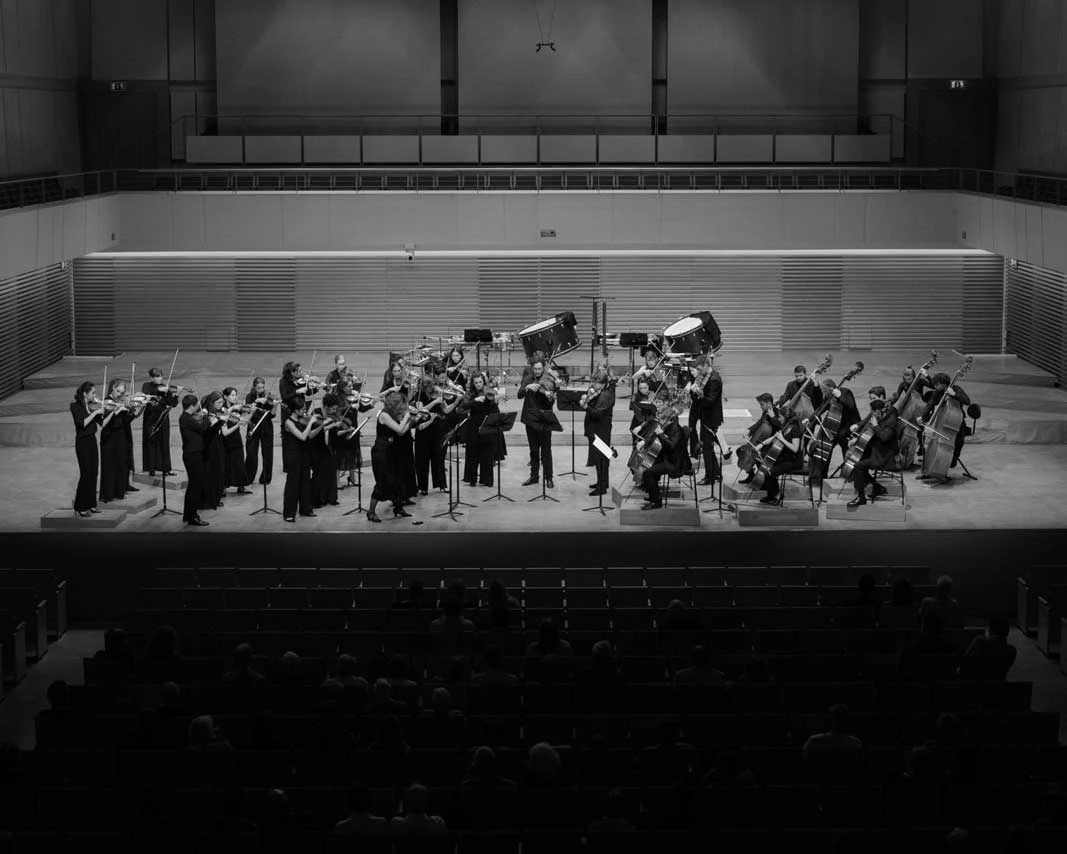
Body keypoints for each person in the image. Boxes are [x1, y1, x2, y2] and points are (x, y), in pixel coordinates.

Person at [846, 387, 900, 507]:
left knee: (858, 466)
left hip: (885, 454)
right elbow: (868, 429)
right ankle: (877, 487)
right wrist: (858, 439)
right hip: (876, 449)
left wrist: (875, 426)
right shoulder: (878, 412)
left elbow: (885, 437)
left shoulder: (891, 417)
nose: (872, 415)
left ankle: (861, 498)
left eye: (873, 413)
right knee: (856, 459)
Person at [366, 390, 415, 523]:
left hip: (391, 451)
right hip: (381, 452)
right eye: (401, 405)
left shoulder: (393, 414)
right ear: (395, 404)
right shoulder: (384, 415)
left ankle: (398, 508)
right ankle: (370, 512)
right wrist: (407, 416)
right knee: (383, 482)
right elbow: (399, 429)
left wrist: (411, 421)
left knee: (397, 479)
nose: (403, 407)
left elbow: (401, 432)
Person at [918, 370, 972, 482]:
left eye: (937, 385)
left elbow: (967, 401)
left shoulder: (956, 389)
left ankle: (946, 467)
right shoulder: (937, 393)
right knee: (932, 446)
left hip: (958, 425)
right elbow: (930, 404)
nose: (935, 387)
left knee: (954, 449)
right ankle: (928, 471)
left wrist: (954, 395)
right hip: (942, 424)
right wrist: (922, 417)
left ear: (944, 384)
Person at [637, 397, 689, 510]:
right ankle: (653, 496)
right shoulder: (667, 427)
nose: (659, 420)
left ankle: (656, 502)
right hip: (667, 457)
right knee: (647, 464)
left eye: (661, 418)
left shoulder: (676, 429)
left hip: (675, 462)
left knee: (648, 473)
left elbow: (671, 446)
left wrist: (661, 435)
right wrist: (644, 442)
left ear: (669, 419)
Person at [807, 378, 861, 483]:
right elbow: (821, 408)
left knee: (846, 449)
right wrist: (810, 419)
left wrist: (839, 396)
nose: (824, 392)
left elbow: (851, 406)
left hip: (849, 426)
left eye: (825, 390)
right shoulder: (828, 396)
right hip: (835, 426)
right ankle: (822, 476)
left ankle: (850, 475)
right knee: (825, 447)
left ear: (831, 387)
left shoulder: (845, 392)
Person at [687, 353, 730, 484]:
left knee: (707, 447)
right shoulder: (704, 376)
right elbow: (698, 399)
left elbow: (710, 401)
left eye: (700, 368)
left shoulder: (715, 379)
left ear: (707, 365)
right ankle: (716, 474)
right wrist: (692, 391)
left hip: (711, 418)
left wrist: (698, 393)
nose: (698, 371)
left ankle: (709, 477)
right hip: (704, 415)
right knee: (708, 447)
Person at [98, 379, 143, 503]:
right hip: (109, 437)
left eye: (122, 393)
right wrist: (116, 410)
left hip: (120, 436)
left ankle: (119, 491)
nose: (120, 395)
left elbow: (127, 420)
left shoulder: (121, 402)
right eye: (118, 391)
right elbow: (105, 422)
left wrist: (139, 407)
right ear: (112, 388)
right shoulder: (108, 401)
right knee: (109, 466)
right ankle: (107, 494)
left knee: (121, 464)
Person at [752, 403, 804, 505]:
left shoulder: (795, 429)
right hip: (785, 457)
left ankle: (775, 495)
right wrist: (761, 445)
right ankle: (770, 493)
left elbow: (795, 448)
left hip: (793, 461)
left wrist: (782, 439)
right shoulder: (785, 426)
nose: (779, 419)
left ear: (786, 417)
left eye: (780, 417)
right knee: (762, 462)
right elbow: (773, 438)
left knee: (770, 471)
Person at [518, 355, 557, 489]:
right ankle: (534, 477)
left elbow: (552, 400)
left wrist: (549, 396)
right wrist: (527, 387)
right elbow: (519, 394)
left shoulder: (549, 379)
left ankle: (549, 478)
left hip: (545, 419)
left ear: (543, 368)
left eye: (540, 369)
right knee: (533, 450)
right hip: (531, 419)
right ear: (532, 368)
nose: (537, 371)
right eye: (535, 369)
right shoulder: (528, 378)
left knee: (546, 451)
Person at [281, 402, 322, 522]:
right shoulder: (288, 422)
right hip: (293, 455)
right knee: (293, 484)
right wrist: (310, 422)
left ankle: (306, 509)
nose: (305, 412)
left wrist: (321, 426)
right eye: (302, 409)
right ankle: (289, 513)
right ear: (295, 410)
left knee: (305, 482)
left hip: (304, 454)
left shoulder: (301, 420)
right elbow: (302, 437)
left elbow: (309, 435)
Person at [801, 704, 865, 780]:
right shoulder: (855, 743)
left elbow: (805, 762)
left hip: (820, 781)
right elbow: (859, 766)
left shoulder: (814, 741)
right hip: (846, 782)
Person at [460, 373, 501, 488]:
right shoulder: (469, 394)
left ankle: (487, 479)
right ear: (473, 383)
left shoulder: (489, 391)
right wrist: (475, 401)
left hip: (487, 424)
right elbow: (462, 408)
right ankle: (472, 479)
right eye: (476, 383)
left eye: (480, 382)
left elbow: (495, 404)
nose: (478, 385)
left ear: (484, 382)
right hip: (473, 425)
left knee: (487, 453)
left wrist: (494, 399)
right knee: (473, 453)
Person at [580, 367, 615, 496]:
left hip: (600, 430)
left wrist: (586, 407)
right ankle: (602, 482)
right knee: (601, 457)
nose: (593, 385)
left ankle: (601, 487)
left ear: (603, 383)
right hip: (598, 429)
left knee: (601, 458)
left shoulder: (605, 395)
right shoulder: (602, 392)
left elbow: (598, 414)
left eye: (596, 382)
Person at [71, 382, 104, 517]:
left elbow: (102, 423)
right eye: (93, 393)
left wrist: (107, 411)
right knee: (85, 473)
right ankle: (80, 506)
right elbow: (82, 423)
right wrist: (95, 412)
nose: (95, 396)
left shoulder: (92, 406)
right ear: (85, 394)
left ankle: (91, 504)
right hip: (82, 442)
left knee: (94, 473)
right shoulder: (75, 406)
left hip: (92, 441)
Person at [178, 394, 210, 526]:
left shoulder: (187, 417)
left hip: (193, 454)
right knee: (195, 486)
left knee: (193, 486)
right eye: (197, 404)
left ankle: (188, 515)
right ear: (192, 406)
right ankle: (193, 516)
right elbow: (203, 428)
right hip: (193, 455)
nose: (198, 406)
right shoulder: (187, 418)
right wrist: (206, 416)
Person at [141, 368, 179, 476]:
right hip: (151, 417)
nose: (160, 378)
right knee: (151, 441)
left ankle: (166, 468)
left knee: (164, 442)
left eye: (161, 376)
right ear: (152, 378)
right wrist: (159, 392)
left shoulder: (166, 388)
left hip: (163, 417)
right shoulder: (146, 386)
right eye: (157, 377)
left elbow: (173, 404)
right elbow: (147, 396)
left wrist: (175, 395)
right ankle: (151, 468)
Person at [737, 393, 780, 485]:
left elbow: (780, 428)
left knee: (756, 456)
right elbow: (759, 423)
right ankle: (751, 474)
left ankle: (762, 480)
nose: (760, 407)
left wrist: (773, 418)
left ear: (769, 404)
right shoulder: (766, 411)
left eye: (762, 404)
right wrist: (749, 430)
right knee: (740, 451)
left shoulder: (776, 412)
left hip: (769, 444)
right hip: (760, 442)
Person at [243, 377, 276, 487]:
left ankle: (266, 478)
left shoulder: (269, 396)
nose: (261, 390)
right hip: (253, 425)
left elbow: (272, 415)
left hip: (266, 426)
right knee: (251, 452)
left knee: (267, 453)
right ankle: (248, 477)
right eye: (258, 388)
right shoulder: (250, 396)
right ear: (254, 387)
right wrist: (256, 401)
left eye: (262, 387)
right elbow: (248, 410)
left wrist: (274, 406)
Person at [220, 387, 252, 497]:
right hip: (225, 439)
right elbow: (224, 415)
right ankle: (223, 487)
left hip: (236, 437)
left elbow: (245, 419)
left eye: (235, 395)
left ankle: (241, 486)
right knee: (226, 463)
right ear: (225, 396)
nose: (235, 397)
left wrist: (249, 411)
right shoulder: (222, 408)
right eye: (232, 395)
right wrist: (233, 408)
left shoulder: (238, 409)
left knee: (239, 462)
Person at [199, 392, 227, 510]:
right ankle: (209, 499)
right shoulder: (205, 414)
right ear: (211, 403)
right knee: (212, 472)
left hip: (218, 443)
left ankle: (215, 497)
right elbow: (205, 432)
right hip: (210, 446)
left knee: (219, 471)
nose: (221, 405)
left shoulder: (217, 413)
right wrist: (213, 422)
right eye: (218, 402)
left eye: (222, 402)